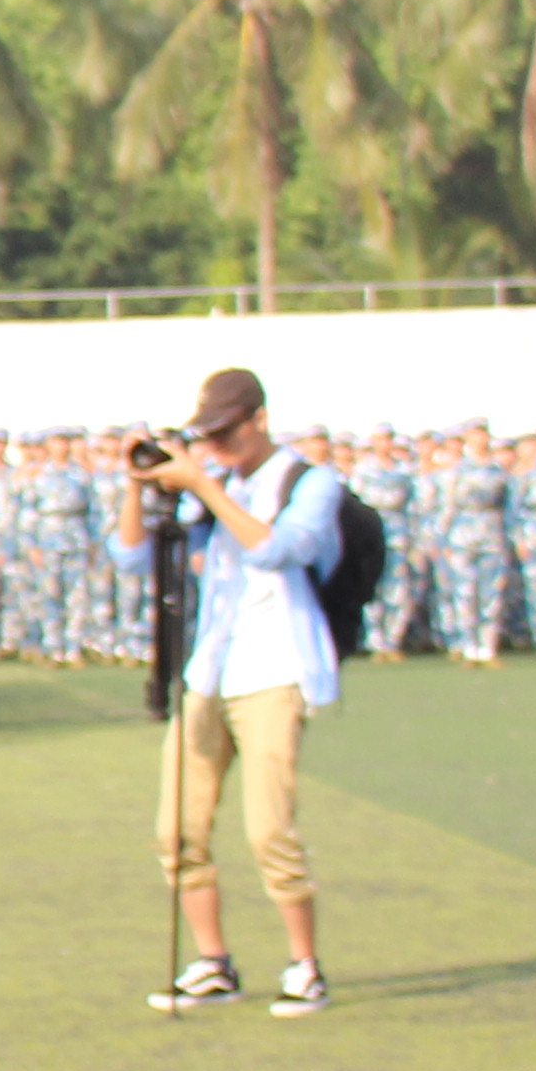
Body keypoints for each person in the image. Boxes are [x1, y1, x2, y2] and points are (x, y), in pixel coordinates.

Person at [138, 365, 346, 1019]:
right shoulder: (216, 481)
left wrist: (204, 483)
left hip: (275, 672)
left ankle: (304, 966)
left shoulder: (309, 482)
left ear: (259, 419)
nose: (218, 445)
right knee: (177, 830)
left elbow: (278, 549)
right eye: (209, 435)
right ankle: (213, 962)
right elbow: (128, 555)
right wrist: (137, 483)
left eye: (226, 432)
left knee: (269, 832)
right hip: (211, 671)